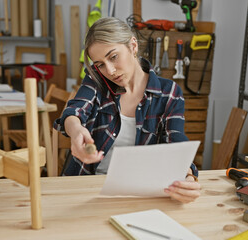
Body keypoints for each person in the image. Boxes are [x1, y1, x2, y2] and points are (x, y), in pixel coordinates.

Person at [53, 17, 201, 203]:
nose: (110, 71)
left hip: (140, 194)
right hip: (86, 187)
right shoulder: (96, 80)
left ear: (133, 46)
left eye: (113, 57)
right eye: (100, 64)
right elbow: (74, 111)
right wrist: (76, 131)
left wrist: (187, 178)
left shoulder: (168, 93)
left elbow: (177, 146)